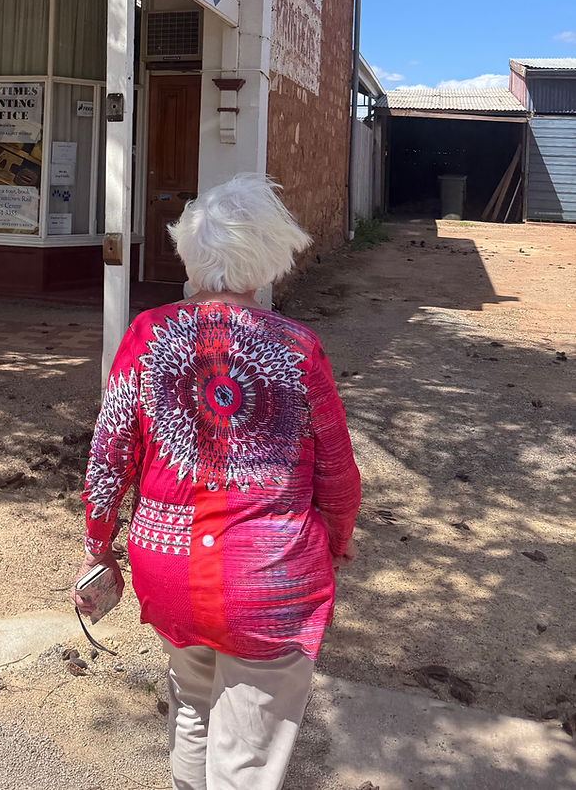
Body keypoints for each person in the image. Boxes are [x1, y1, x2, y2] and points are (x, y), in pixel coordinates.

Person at [73, 173, 361, 790]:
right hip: (268, 580)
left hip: (168, 568)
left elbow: (108, 457)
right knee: (247, 756)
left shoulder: (147, 334)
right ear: (269, 257)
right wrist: (339, 540)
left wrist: (98, 546)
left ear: (191, 252)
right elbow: (338, 474)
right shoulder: (298, 348)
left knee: (192, 708)